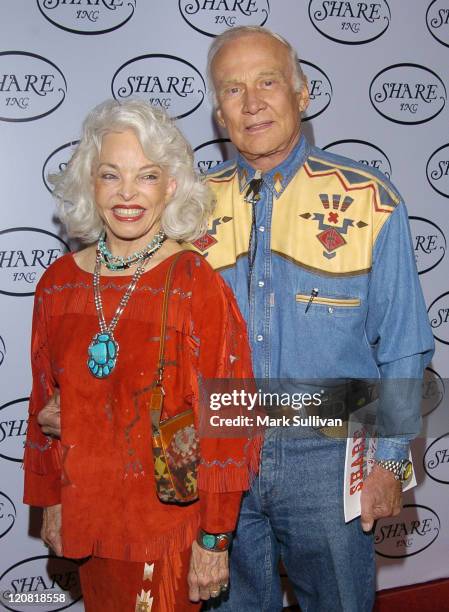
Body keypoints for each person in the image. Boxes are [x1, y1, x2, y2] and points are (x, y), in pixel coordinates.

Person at [188, 26, 433, 611]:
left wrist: (391, 463)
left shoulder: (370, 199)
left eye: (267, 82)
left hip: (330, 460)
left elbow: (403, 346)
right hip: (221, 460)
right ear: (219, 114)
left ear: (302, 94)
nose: (251, 103)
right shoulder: (186, 207)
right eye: (232, 89)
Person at [23, 99, 259, 612]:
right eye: (111, 175)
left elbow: (230, 417)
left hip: (167, 530)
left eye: (147, 176)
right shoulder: (58, 284)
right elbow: (44, 402)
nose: (127, 193)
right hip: (87, 518)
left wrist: (216, 539)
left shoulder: (198, 284)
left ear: (170, 186)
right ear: (91, 183)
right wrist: (50, 505)